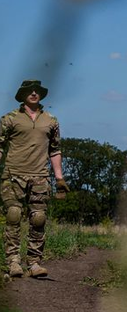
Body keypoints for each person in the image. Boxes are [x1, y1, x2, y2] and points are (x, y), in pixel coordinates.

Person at [1, 79, 68, 279]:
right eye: (29, 91)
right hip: (13, 175)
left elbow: (55, 150)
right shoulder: (9, 119)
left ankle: (34, 263)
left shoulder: (51, 120)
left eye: (37, 90)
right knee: (13, 215)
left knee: (38, 219)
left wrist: (59, 179)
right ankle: (13, 262)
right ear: (22, 95)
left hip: (40, 177)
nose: (33, 93)